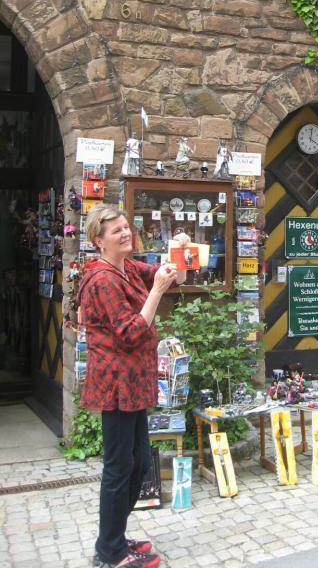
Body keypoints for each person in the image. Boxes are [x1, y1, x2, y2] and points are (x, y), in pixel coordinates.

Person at [78, 204, 184, 568]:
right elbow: (130, 333)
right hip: (116, 385)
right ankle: (109, 552)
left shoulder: (127, 267)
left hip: (134, 383)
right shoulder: (103, 279)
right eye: (116, 231)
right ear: (99, 241)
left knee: (138, 465)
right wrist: (156, 292)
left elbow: (169, 275)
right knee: (119, 467)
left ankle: (115, 539)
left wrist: (179, 253)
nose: (125, 233)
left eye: (126, 227)